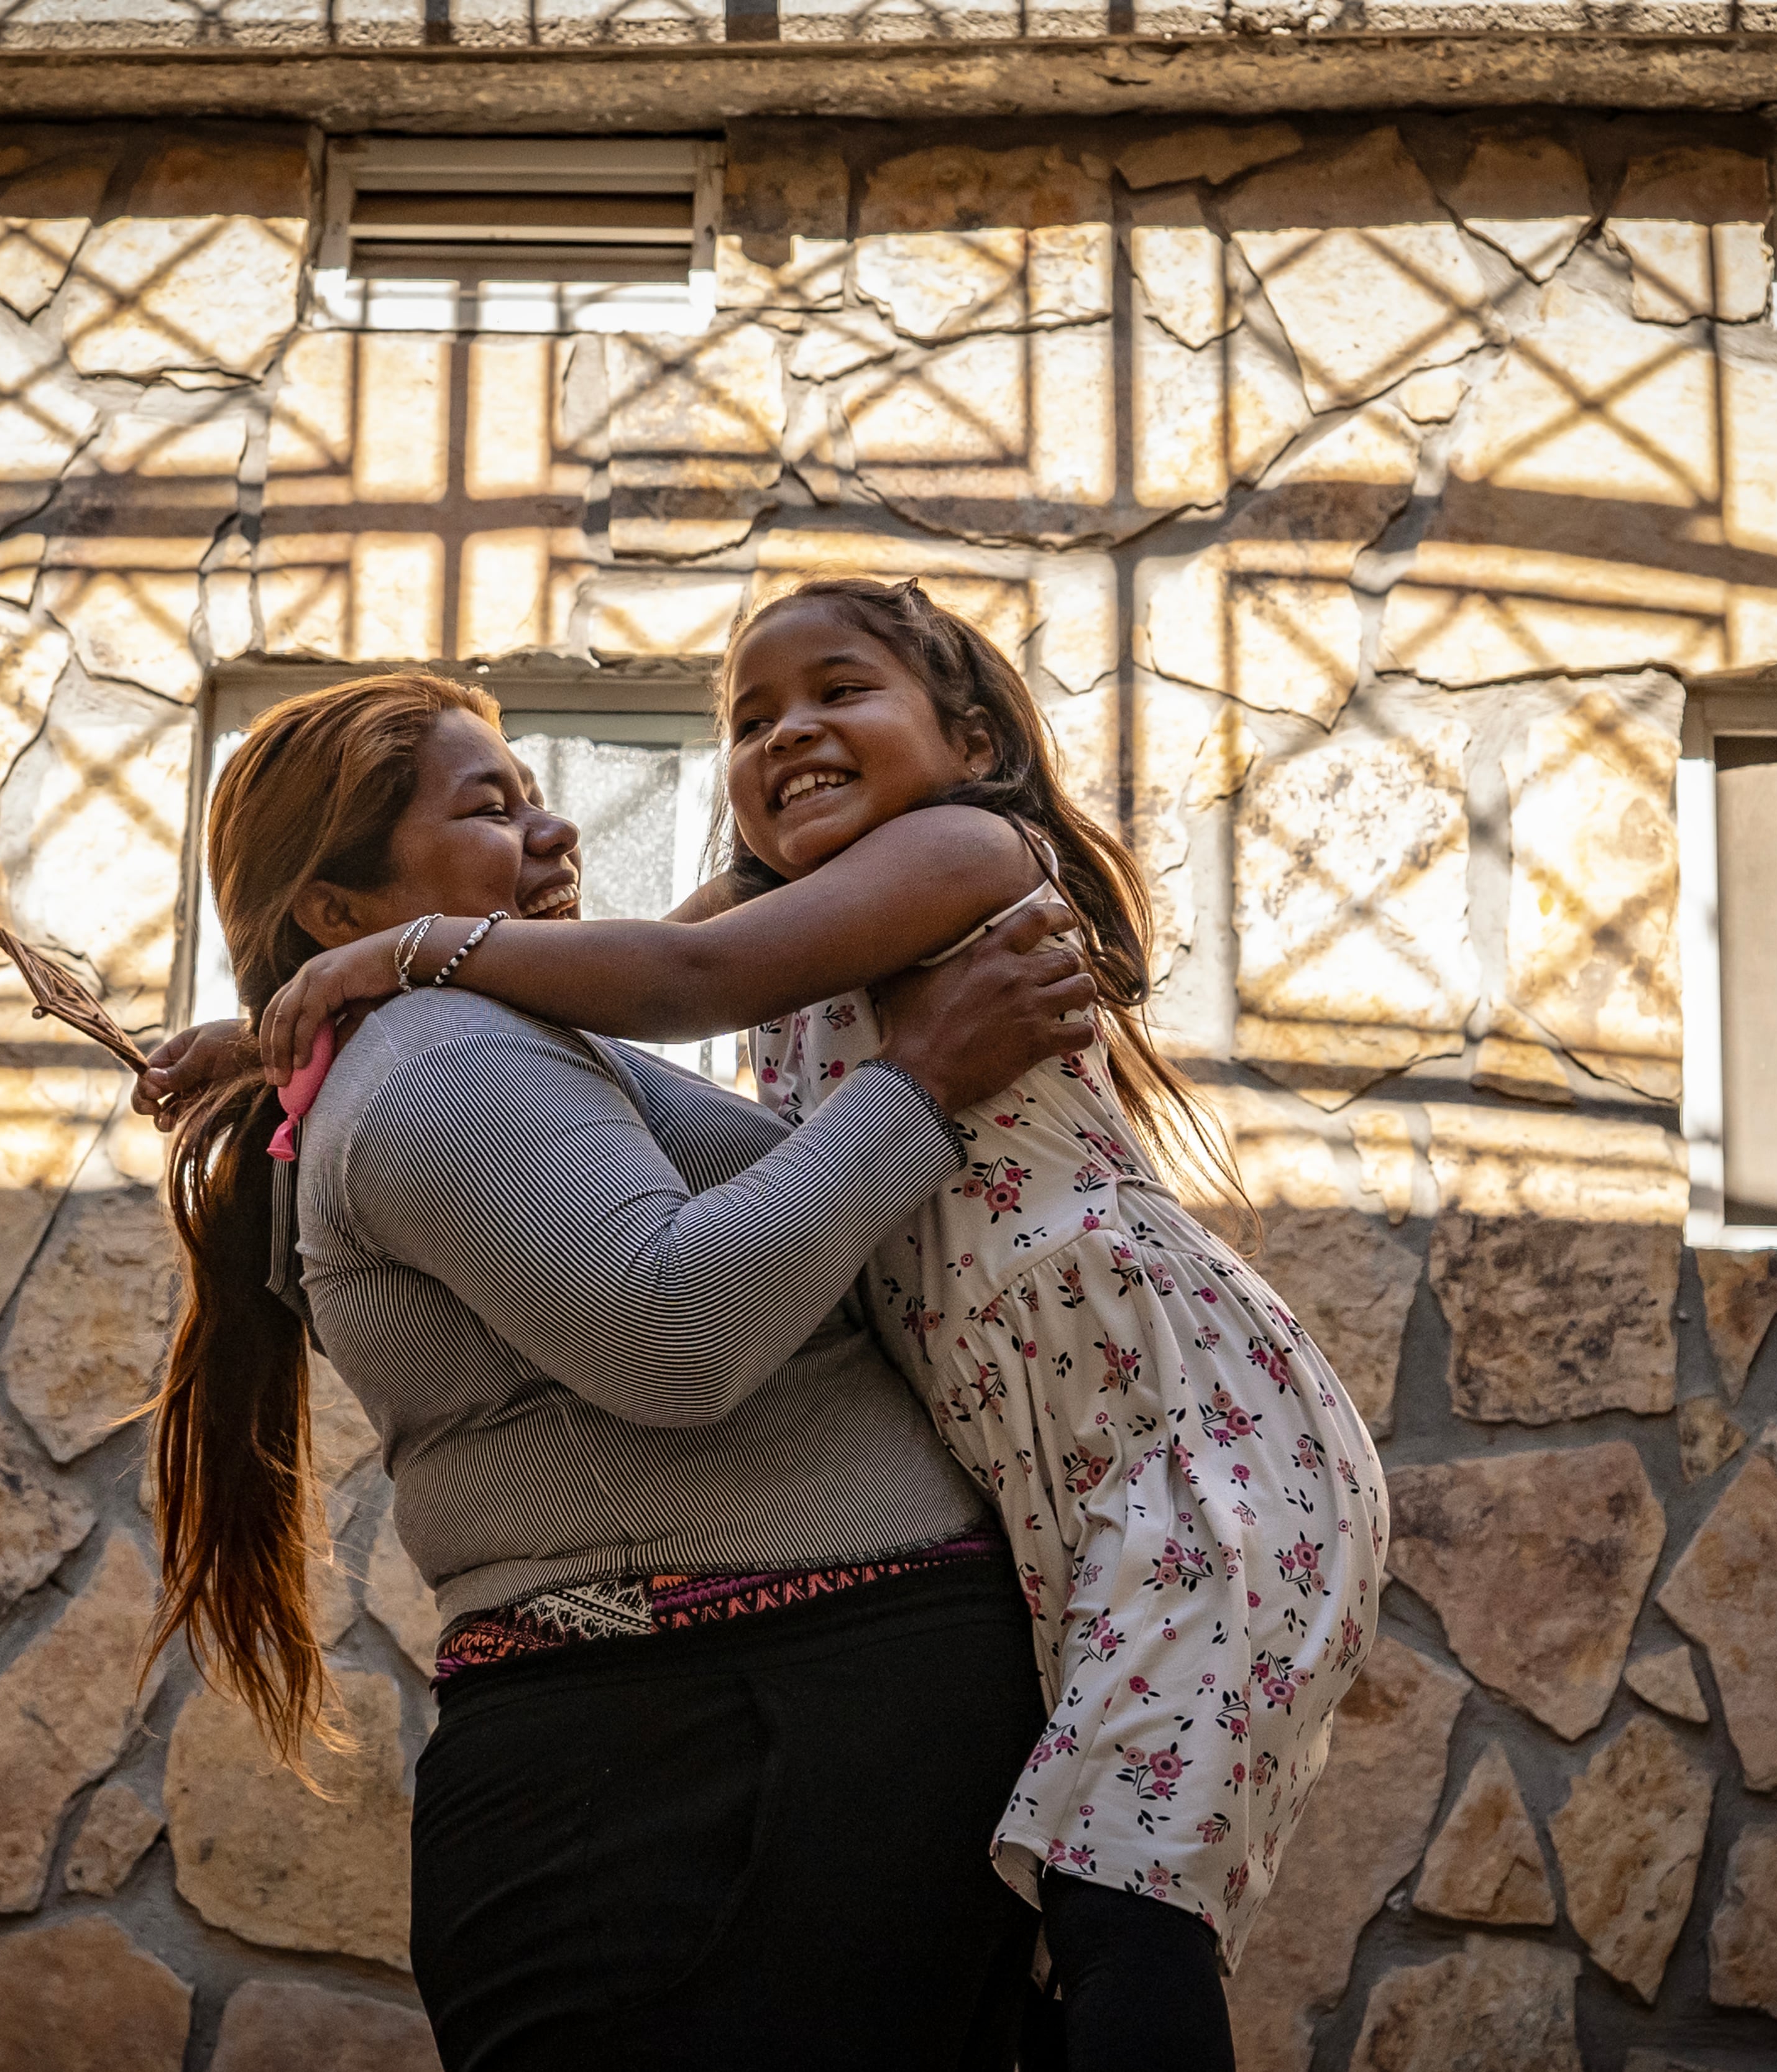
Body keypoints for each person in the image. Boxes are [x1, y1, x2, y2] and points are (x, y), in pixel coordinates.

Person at [255, 580, 1392, 2072]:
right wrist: (299, 1009)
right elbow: (626, 973)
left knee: (1127, 1898)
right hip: (1043, 1449)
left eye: (838, 692)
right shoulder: (769, 914)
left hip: (1177, 1431)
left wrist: (381, 961)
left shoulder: (958, 850)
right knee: (1071, 1898)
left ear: (971, 735)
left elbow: (676, 978)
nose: (789, 733)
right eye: (748, 719)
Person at [133, 669, 1102, 2071]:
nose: (553, 829)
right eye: (491, 805)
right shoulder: (434, 1057)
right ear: (338, 914)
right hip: (716, 1769)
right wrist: (923, 1079)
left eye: (534, 792)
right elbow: (675, 1332)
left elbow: (683, 955)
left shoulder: (466, 1035)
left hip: (748, 1757)